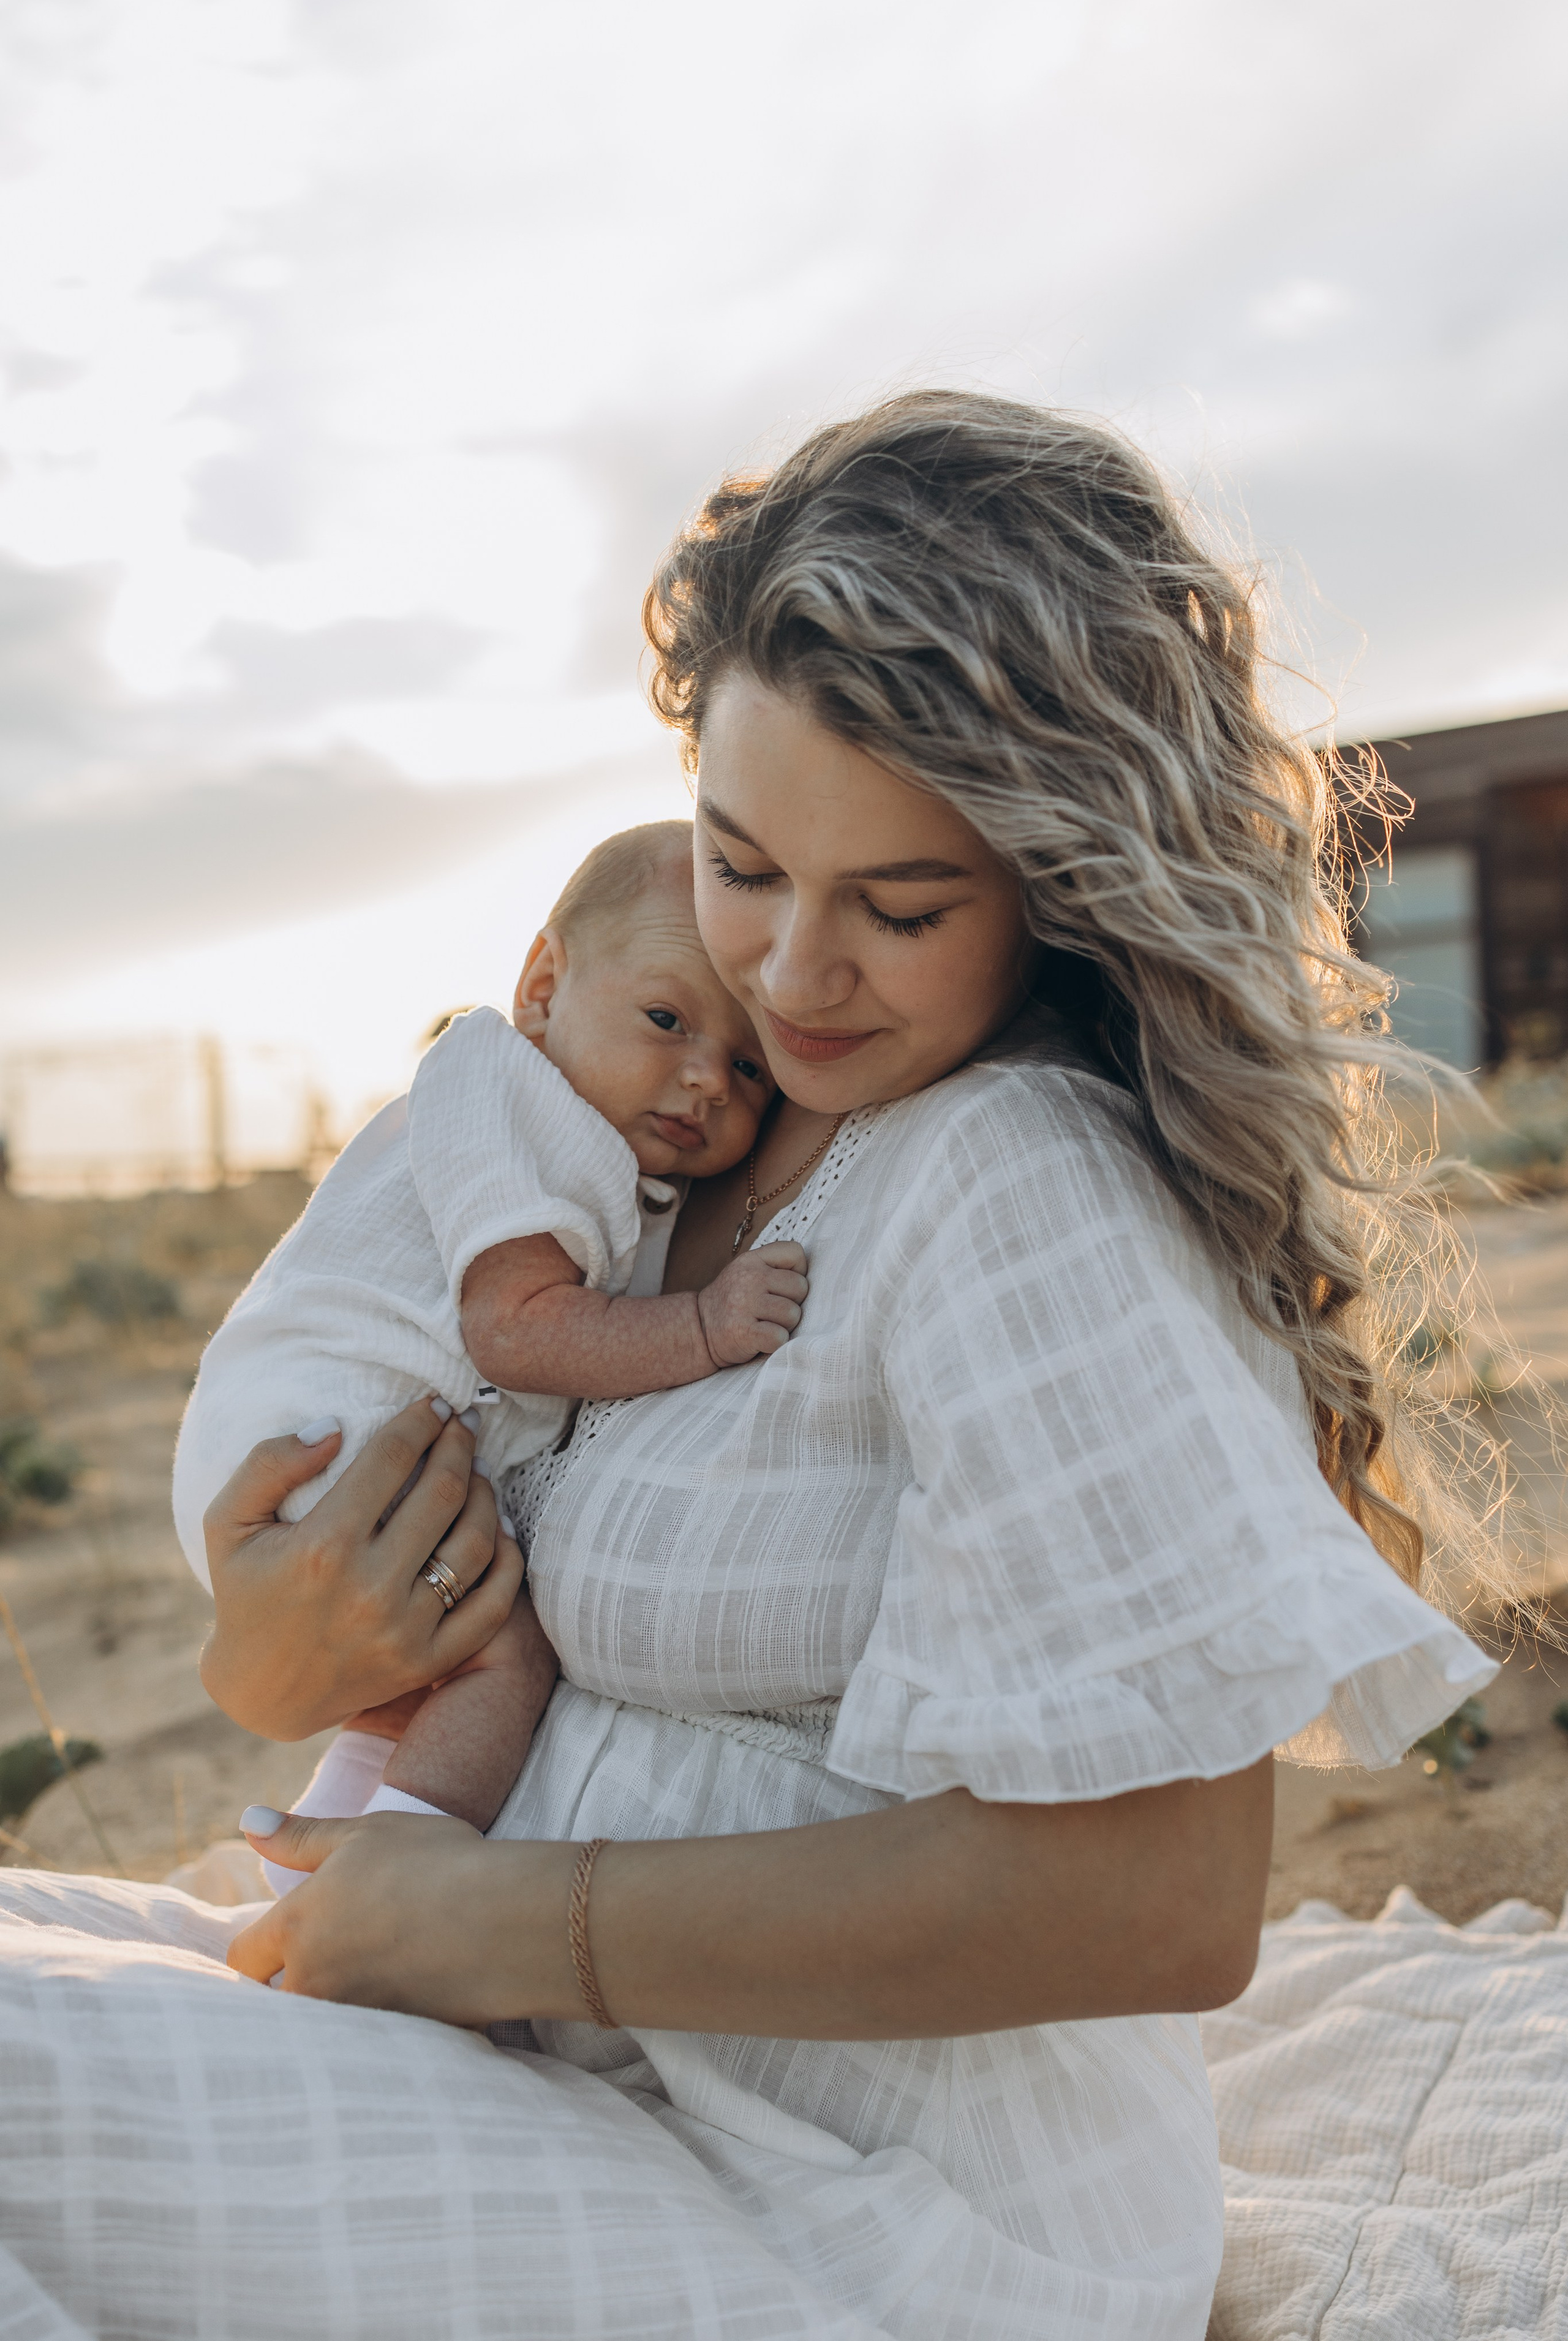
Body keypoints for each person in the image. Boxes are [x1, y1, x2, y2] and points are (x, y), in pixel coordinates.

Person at [0, 392, 1496, 2341]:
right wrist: (275, 1658)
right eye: (737, 863)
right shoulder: (653, 1154)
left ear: (1057, 882)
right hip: (583, 2069)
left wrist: (491, 1919)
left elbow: (1165, 1898)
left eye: (899, 905)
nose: (790, 976)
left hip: (878, 2210)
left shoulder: (1011, 1179)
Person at [172, 820, 805, 1869]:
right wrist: (702, 1325)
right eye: (665, 1018)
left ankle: (328, 1839)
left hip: (313, 1454)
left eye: (748, 1066)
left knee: (418, 1679)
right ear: (544, 984)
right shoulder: (512, 1094)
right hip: (322, 1442)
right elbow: (514, 1326)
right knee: (502, 1654)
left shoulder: (590, 1134)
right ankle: (406, 1871)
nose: (706, 1080)